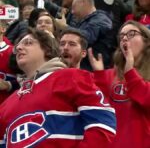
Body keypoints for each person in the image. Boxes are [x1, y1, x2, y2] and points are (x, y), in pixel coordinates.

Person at [0, 28, 116, 148]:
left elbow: (103, 124)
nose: (19, 48)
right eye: (17, 46)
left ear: (47, 50)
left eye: (28, 43)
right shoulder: (6, 105)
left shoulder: (71, 77)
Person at [88, 20, 150, 148]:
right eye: (121, 36)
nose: (125, 38)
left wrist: (130, 72)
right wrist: (99, 75)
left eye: (132, 33)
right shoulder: (109, 74)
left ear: (146, 41)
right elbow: (100, 110)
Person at [0, 20, 19, 104]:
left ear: (3, 29)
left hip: (5, 107)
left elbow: (28, 80)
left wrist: (8, 85)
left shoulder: (14, 51)